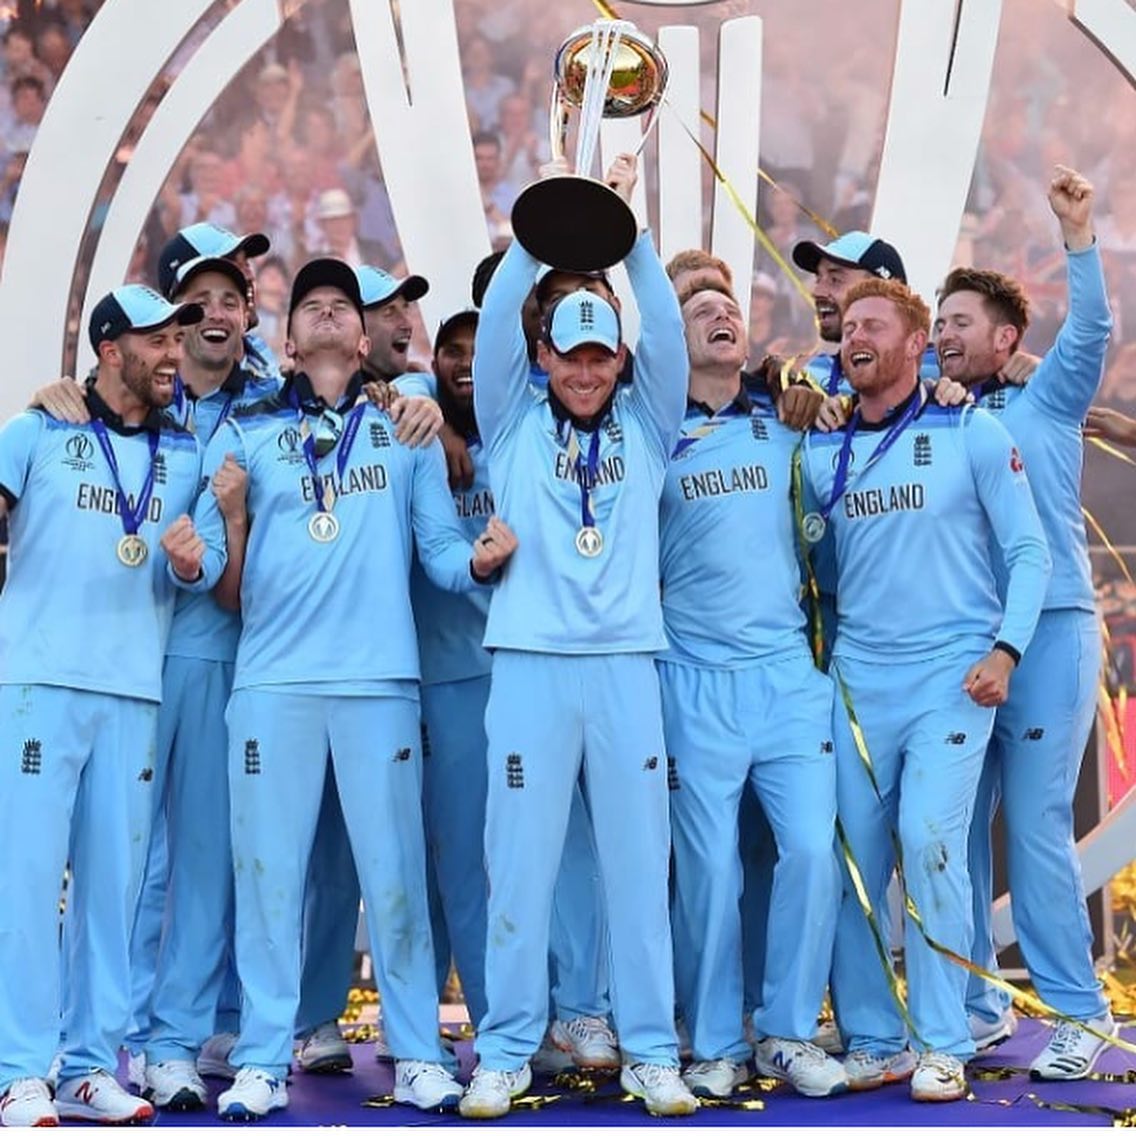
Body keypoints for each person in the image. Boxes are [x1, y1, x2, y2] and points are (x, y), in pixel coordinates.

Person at [171, 258, 515, 1121]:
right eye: (309, 306)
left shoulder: (406, 430)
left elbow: (439, 552)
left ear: (363, 337)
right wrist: (191, 555)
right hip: (274, 684)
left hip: (380, 685)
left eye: (341, 307)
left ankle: (420, 1056)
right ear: (286, 340)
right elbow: (217, 575)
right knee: (269, 879)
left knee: (394, 875)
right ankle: (260, 1058)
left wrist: (480, 564)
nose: (327, 314)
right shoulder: (244, 431)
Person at [459, 153, 697, 1120]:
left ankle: (648, 1052)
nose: (589, 371)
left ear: (620, 362)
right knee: (518, 863)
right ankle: (509, 1049)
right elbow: (493, 345)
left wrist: (628, 235)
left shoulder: (650, 425)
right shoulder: (510, 422)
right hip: (530, 669)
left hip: (627, 669)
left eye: (604, 356)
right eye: (573, 355)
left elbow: (671, 331)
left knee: (640, 870)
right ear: (546, 357)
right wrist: (549, 224)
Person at [799, 277, 1051, 1102]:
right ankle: (877, 1038)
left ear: (918, 347)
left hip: (952, 677)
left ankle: (945, 1040)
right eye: (849, 326)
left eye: (876, 325)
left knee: (930, 841)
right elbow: (820, 572)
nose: (854, 336)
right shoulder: (821, 447)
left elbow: (1030, 554)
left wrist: (1006, 651)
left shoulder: (971, 431)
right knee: (855, 865)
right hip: (859, 680)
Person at [0, 285, 204, 1127]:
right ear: (111, 349)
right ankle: (21, 1071)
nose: (173, 356)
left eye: (177, 341)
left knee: (114, 892)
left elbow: (197, 562)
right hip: (39, 688)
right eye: (158, 342)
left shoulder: (185, 452)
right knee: (25, 882)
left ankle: (90, 1066)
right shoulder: (35, 430)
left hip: (133, 690)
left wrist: (192, 564)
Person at [934, 165, 1119, 1076]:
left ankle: (1081, 1014)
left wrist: (1077, 237)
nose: (943, 336)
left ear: (1007, 337)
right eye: (938, 324)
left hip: (1047, 630)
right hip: (964, 640)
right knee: (960, 825)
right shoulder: (930, 418)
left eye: (960, 322)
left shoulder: (1048, 396)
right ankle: (973, 1003)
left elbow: (1092, 330)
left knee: (1038, 819)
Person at [658, 282, 845, 1100]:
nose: (720, 316)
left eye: (727, 307)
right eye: (698, 311)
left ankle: (787, 1032)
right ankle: (710, 1041)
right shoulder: (648, 427)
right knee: (709, 873)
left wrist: (798, 387)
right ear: (670, 334)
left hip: (785, 677)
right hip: (692, 677)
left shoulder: (789, 416)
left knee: (809, 849)